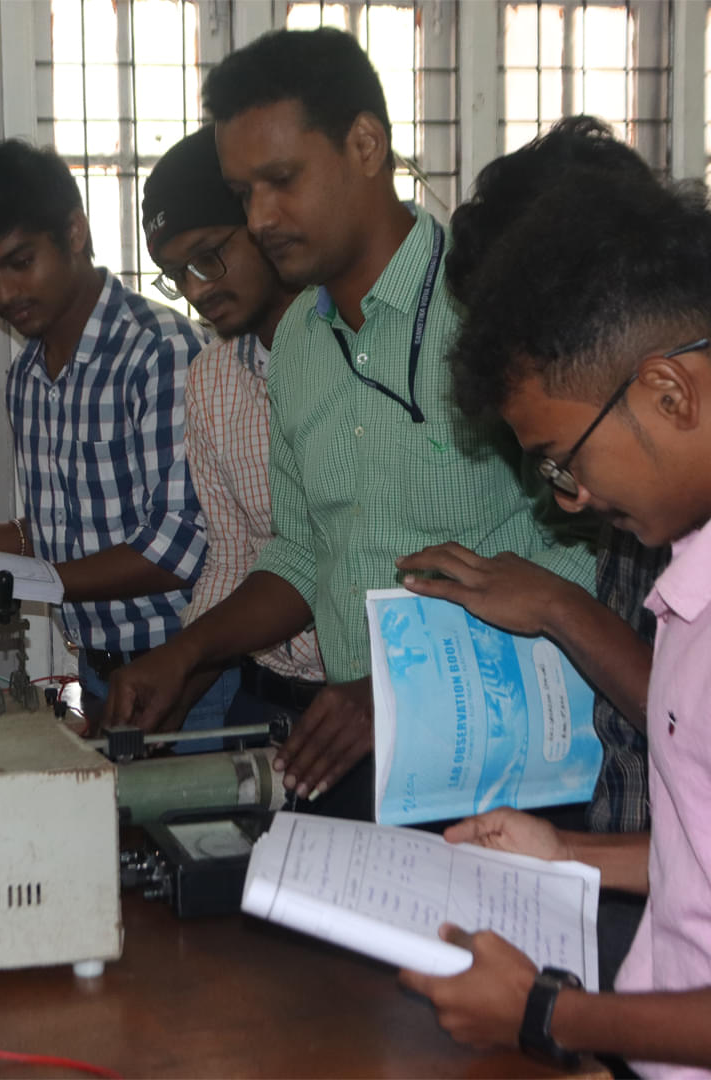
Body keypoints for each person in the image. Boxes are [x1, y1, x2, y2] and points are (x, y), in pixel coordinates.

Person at [106, 28, 594, 813]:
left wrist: (402, 686)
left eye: (282, 179)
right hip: (351, 750)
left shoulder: (490, 311)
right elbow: (303, 553)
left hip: (508, 764)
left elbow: (579, 558)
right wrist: (187, 652)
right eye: (243, 194)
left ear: (366, 144)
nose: (262, 216)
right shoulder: (299, 344)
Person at [395, 163, 711, 1076]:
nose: (567, 501)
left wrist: (550, 1016)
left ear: (668, 393)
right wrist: (565, 853)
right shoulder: (686, 576)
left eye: (562, 461)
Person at [442, 115, 671, 988]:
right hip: (632, 857)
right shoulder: (640, 478)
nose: (563, 492)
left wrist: (557, 607)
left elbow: (680, 717)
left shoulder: (664, 486)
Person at [0, 139, 238, 739]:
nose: (5, 294)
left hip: (194, 674)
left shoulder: (159, 352)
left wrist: (18, 577)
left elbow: (176, 548)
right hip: (97, 673)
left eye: (20, 262)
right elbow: (54, 532)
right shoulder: (27, 378)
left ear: (74, 234)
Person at [140, 125, 325, 734]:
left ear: (262, 223)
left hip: (366, 701)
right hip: (264, 696)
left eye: (208, 255)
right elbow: (231, 558)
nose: (196, 289)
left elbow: (328, 556)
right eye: (176, 274)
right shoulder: (211, 377)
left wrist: (186, 657)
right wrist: (176, 685)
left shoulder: (350, 353)